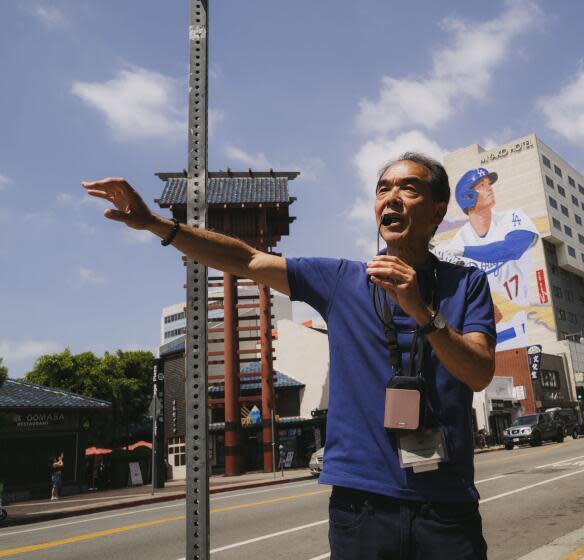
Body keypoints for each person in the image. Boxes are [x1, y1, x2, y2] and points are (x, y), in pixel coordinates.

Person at [83, 152, 496, 559]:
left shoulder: (467, 285)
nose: (391, 198)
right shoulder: (341, 280)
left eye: (409, 188)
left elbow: (478, 373)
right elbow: (247, 259)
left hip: (446, 504)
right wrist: (155, 224)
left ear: (437, 211)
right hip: (363, 506)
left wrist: (421, 311)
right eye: (383, 189)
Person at [434, 168, 538, 351]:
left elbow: (513, 249)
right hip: (479, 334)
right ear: (468, 196)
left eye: (489, 184)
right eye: (482, 186)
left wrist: (463, 251)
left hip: (519, 327)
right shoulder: (459, 239)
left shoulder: (512, 217)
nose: (490, 188)